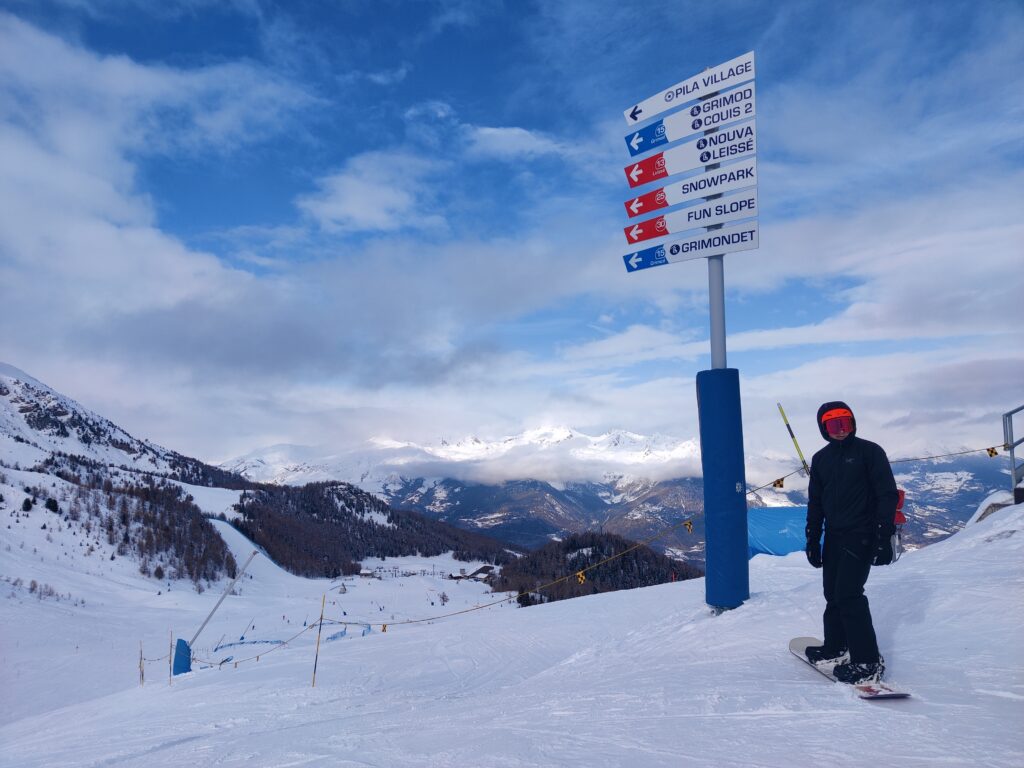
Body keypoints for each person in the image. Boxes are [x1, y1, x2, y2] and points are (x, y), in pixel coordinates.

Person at [804, 401, 899, 684]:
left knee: (849, 594)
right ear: (823, 428)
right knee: (832, 593)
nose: (840, 430)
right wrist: (813, 538)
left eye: (845, 423)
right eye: (833, 425)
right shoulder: (821, 459)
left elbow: (887, 495)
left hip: (863, 534)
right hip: (834, 536)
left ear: (853, 423)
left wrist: (883, 536)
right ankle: (836, 646)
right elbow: (816, 502)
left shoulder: (870, 452)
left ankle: (867, 661)